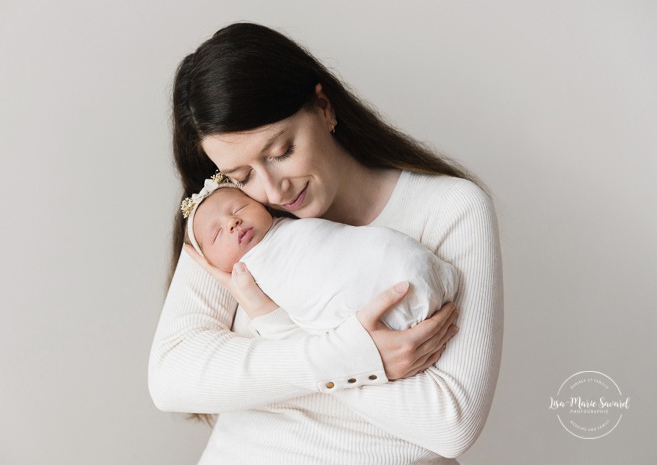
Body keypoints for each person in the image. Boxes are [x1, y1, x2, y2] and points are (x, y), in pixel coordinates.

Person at [148, 22, 503, 465]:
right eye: (242, 176)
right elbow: (172, 378)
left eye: (280, 152)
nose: (273, 191)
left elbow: (452, 423)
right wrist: (351, 356)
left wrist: (280, 337)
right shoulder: (234, 223)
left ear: (323, 107)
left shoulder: (449, 209)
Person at [182, 176, 458, 333]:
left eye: (239, 208)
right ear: (210, 264)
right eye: (217, 234)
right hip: (377, 317)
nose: (232, 223)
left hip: (391, 260)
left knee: (379, 253)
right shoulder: (248, 279)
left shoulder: (292, 224)